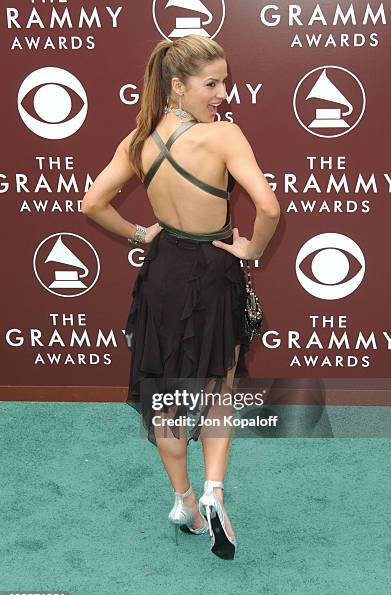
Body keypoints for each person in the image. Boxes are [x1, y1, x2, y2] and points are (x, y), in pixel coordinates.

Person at [81, 34, 280, 560]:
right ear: (177, 85)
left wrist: (139, 234)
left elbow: (92, 203)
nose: (222, 93)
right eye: (211, 83)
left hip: (163, 270)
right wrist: (248, 249)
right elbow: (270, 208)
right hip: (215, 272)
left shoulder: (139, 140)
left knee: (164, 390)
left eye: (224, 82)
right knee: (218, 386)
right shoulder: (224, 137)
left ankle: (184, 498)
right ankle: (215, 491)